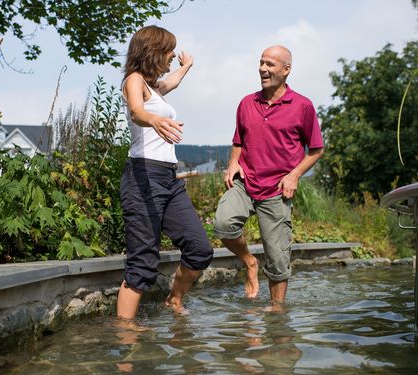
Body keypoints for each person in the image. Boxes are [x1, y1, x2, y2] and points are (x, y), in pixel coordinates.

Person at [214, 45, 324, 306]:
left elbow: (317, 150)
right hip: (246, 182)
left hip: (277, 189)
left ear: (286, 70)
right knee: (223, 224)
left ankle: (277, 317)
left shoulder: (303, 106)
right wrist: (232, 163)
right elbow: (238, 140)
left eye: (270, 64)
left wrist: (294, 175)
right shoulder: (247, 103)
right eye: (261, 63)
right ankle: (250, 262)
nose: (263, 68)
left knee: (277, 258)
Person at [117, 25, 213, 320]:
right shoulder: (134, 80)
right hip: (142, 177)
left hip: (168, 180)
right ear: (153, 51)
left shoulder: (154, 87)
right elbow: (136, 110)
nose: (173, 54)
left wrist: (186, 67)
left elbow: (171, 82)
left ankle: (173, 300)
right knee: (143, 262)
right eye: (170, 50)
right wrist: (154, 120)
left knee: (200, 249)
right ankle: (125, 337)